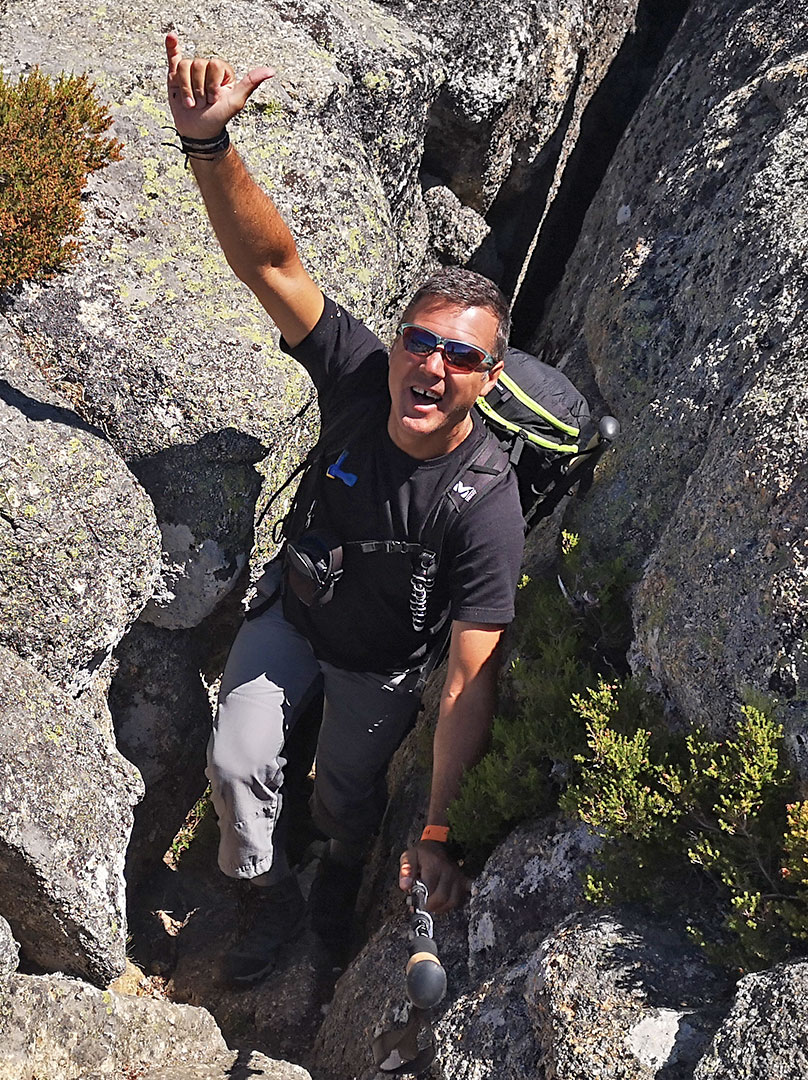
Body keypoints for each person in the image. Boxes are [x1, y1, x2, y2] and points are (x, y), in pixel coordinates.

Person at [165, 33, 521, 984]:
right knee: (238, 762)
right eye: (420, 339)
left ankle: (335, 877)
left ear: (488, 382)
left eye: (462, 357)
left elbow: (466, 682)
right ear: (397, 343)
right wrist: (209, 145)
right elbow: (272, 265)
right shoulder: (362, 379)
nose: (431, 364)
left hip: (383, 666)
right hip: (297, 611)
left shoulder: (483, 504)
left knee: (348, 801)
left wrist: (438, 826)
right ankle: (266, 892)